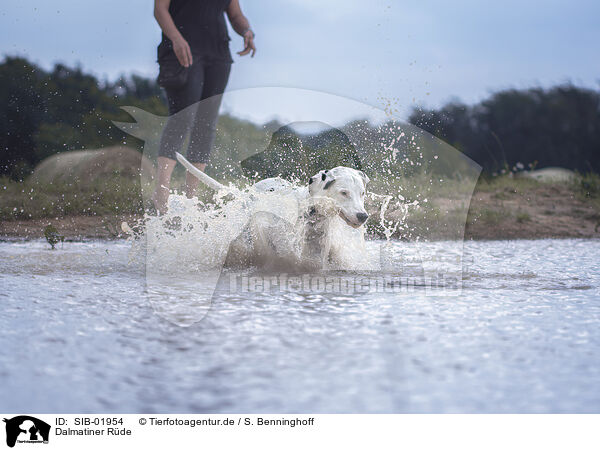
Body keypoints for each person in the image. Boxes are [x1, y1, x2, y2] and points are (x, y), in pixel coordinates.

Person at [152, 0, 256, 214]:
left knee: (206, 124)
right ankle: (161, 193)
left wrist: (246, 30)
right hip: (182, 50)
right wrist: (176, 39)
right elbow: (160, 10)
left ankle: (191, 198)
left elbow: (235, 15)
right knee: (182, 118)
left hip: (218, 53)